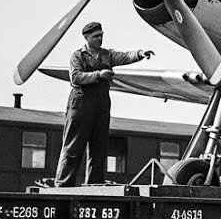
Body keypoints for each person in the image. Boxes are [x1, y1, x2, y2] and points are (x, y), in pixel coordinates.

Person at [54, 21, 154, 187]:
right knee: (73, 146)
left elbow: (125, 56)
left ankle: (94, 183)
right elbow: (76, 77)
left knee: (99, 146)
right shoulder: (77, 56)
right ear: (86, 38)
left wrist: (140, 53)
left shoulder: (108, 55)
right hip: (80, 104)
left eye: (101, 35)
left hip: (101, 105)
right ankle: (63, 183)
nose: (100, 39)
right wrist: (99, 74)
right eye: (96, 36)